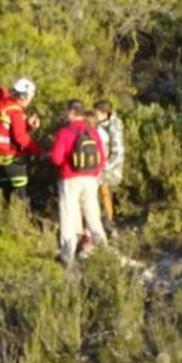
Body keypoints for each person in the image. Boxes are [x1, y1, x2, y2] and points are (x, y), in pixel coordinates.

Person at [50, 100, 107, 265]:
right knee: (93, 216)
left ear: (71, 112)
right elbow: (101, 157)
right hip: (90, 179)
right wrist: (94, 173)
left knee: (68, 216)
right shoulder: (92, 131)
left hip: (69, 179)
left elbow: (56, 158)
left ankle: (67, 256)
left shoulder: (65, 132)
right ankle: (103, 250)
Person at [0, 78, 43, 200]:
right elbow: (20, 138)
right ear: (25, 96)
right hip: (12, 159)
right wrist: (39, 151)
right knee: (20, 197)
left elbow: (9, 131)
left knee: (2, 195)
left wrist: (28, 125)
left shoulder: (5, 105)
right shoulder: (16, 112)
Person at [94, 100, 125, 226]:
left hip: (109, 166)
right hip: (101, 163)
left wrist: (107, 165)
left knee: (105, 191)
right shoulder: (100, 124)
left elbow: (117, 150)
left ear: (103, 113)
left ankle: (109, 218)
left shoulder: (114, 126)